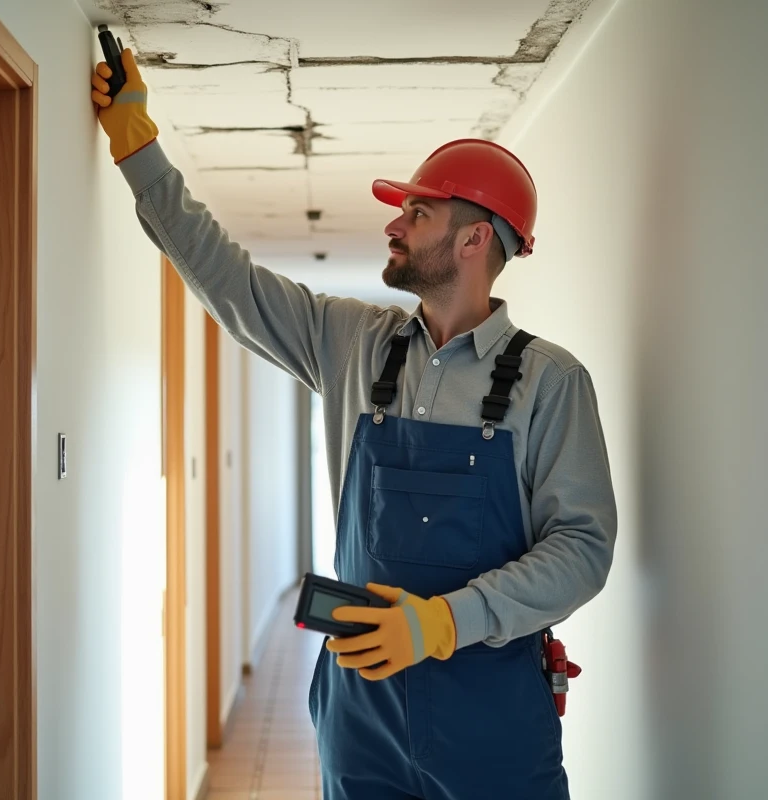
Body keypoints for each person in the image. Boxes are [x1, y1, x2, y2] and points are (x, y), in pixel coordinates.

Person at [92, 48, 616, 800]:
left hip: (490, 723)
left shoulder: (550, 382)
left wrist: (442, 623)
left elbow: (582, 550)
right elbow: (227, 278)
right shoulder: (352, 343)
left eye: (418, 212)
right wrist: (139, 150)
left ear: (474, 240)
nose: (394, 224)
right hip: (359, 715)